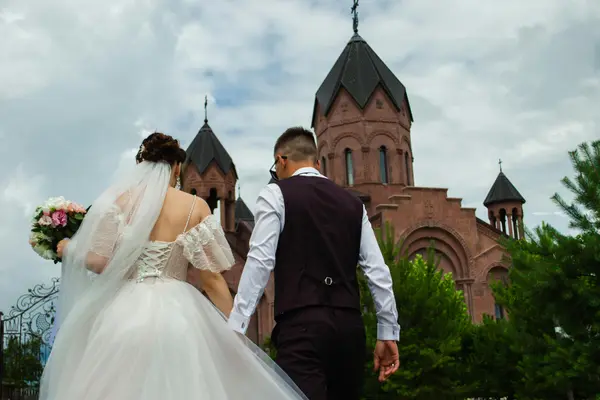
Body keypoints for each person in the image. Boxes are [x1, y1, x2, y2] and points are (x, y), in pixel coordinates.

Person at [40, 132, 307, 400]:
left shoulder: (120, 203)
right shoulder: (194, 206)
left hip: (123, 315)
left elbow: (100, 263)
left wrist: (69, 249)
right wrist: (237, 331)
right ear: (177, 167)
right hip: (180, 317)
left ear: (141, 165)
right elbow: (212, 281)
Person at [228, 127, 401, 400]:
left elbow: (260, 262)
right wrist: (387, 332)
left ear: (281, 160)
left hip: (301, 330)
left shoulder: (276, 194)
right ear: (318, 163)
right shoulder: (353, 204)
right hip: (349, 331)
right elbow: (378, 272)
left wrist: (236, 329)